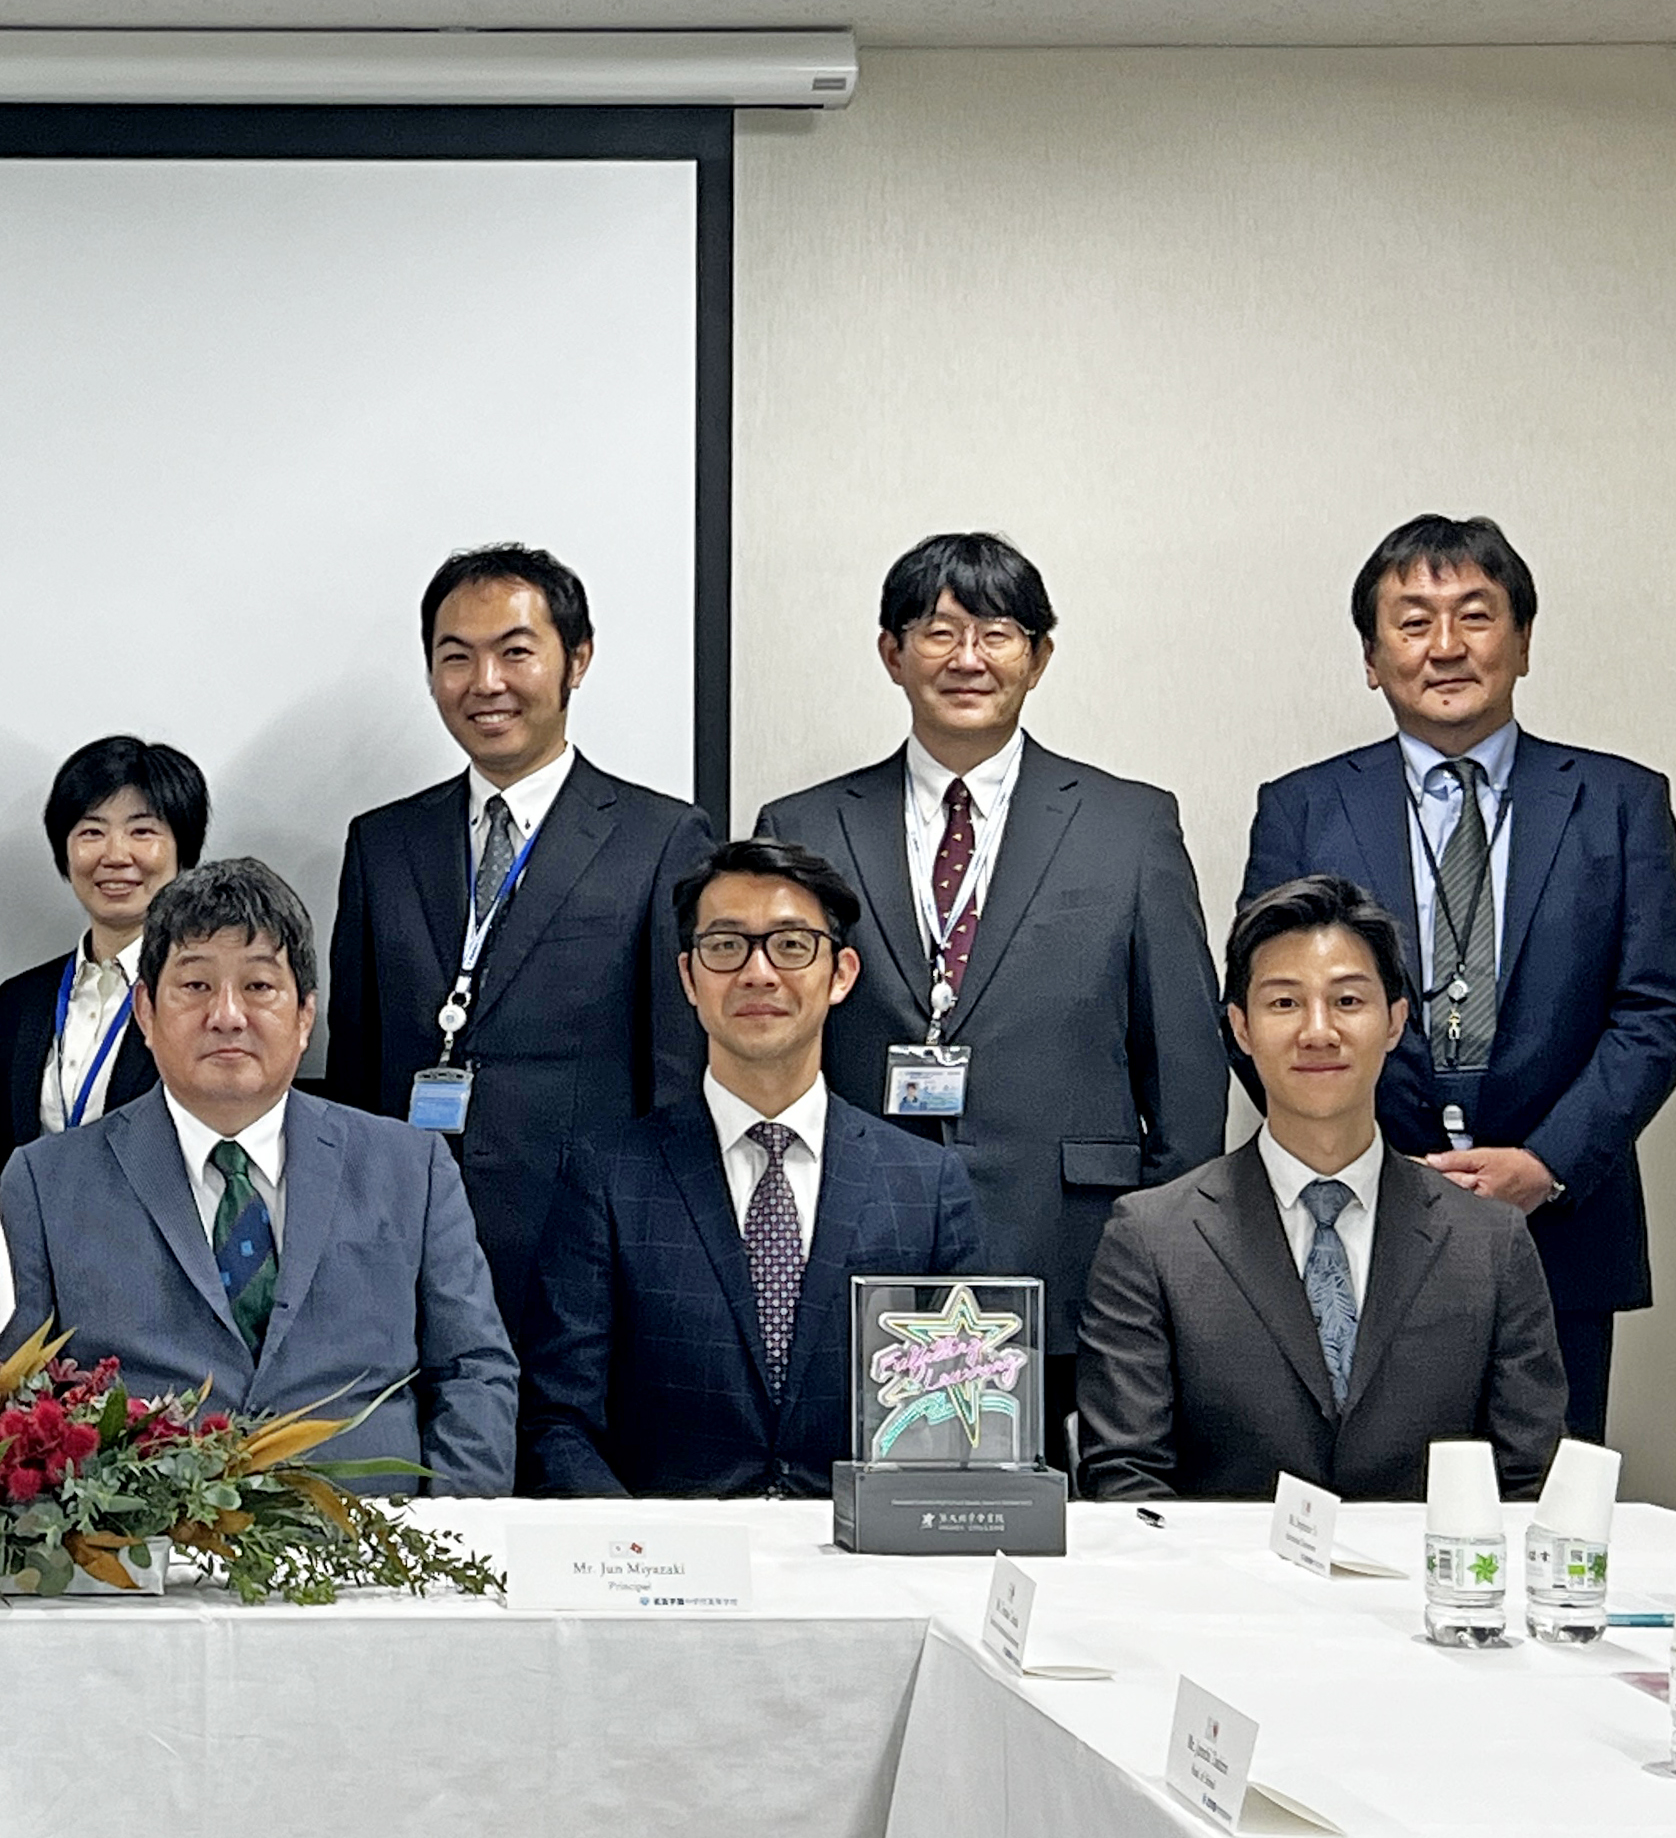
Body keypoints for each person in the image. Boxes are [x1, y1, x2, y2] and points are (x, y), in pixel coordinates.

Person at [753, 533, 1226, 1464]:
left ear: (1039, 656)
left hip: (1067, 1256)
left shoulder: (1131, 823)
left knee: (1053, 1539)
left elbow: (1184, 1063)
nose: (967, 658)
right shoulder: (804, 826)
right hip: (855, 1246)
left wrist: (1162, 1275)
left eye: (998, 633)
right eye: (938, 632)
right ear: (892, 654)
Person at [1239, 515, 1676, 1450]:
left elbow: (1657, 1010)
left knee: (1545, 1516)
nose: (1445, 647)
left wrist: (1548, 1166)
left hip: (1560, 1226)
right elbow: (1261, 1007)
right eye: (1412, 623)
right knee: (1361, 1506)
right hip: (1356, 1208)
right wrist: (1357, 1157)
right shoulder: (1302, 806)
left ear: (1522, 642)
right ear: (1372, 658)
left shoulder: (1617, 801)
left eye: (1475, 617)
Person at [0, 859, 516, 1495]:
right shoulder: (47, 1183)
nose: (228, 1015)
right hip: (141, 1564)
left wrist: (449, 1538)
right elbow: (18, 1401)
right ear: (144, 1013)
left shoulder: (411, 1168)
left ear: (305, 1017)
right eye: (194, 986)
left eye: (260, 987)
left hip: (371, 1558)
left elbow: (474, 1371)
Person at [516, 838, 984, 1497]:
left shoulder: (926, 1184)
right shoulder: (608, 1178)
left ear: (842, 974)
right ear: (688, 977)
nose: (758, 974)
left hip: (862, 1570)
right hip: (668, 1575)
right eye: (727, 946)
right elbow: (557, 1419)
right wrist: (640, 1557)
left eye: (791, 946)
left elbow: (967, 1417)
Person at [1076, 876, 1568, 1500]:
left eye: (1347, 1002)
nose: (1318, 1031)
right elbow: (1127, 1482)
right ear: (1241, 1028)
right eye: (1284, 1003)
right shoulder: (1151, 1238)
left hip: (1427, 1589)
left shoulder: (1489, 1241)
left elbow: (1529, 1482)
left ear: (1394, 1022)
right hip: (1225, 1591)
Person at [329, 542, 712, 1293]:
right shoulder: (382, 842)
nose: (486, 684)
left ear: (578, 659)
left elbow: (677, 1075)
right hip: (405, 1249)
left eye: (515, 653)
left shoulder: (663, 839)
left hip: (584, 1255)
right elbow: (355, 1070)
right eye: (457, 657)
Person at [0, 736, 206, 1170]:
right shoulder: (19, 1003)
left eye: (142, 831)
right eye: (92, 832)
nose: (115, 855)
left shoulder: (209, 1000)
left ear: (182, 849)